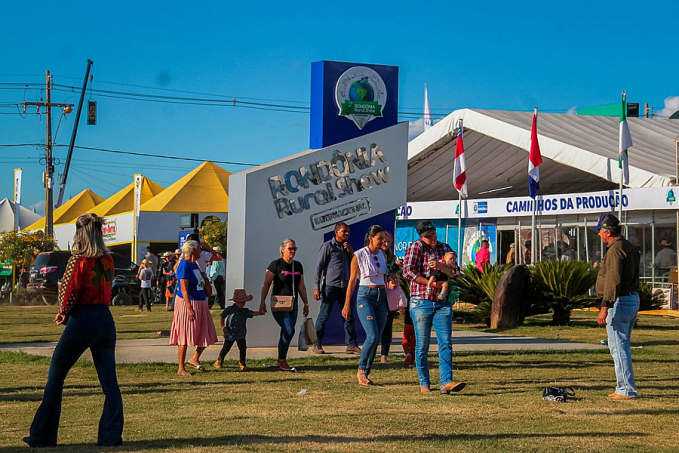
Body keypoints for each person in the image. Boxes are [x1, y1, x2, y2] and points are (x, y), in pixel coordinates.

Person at [24, 213, 123, 448]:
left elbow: (69, 290)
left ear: (80, 234)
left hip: (83, 319)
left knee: (56, 377)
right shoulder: (109, 260)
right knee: (110, 384)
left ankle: (43, 435)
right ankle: (110, 437)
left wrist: (63, 311)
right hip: (105, 319)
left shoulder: (78, 260)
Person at [403, 219, 465, 394]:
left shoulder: (445, 248)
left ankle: (446, 381)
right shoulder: (415, 247)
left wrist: (440, 266)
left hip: (442, 303)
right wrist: (430, 284)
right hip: (421, 301)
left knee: (445, 342)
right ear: (421, 237)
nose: (432, 238)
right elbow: (408, 271)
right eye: (427, 235)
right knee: (422, 344)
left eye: (433, 234)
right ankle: (424, 383)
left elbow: (456, 273)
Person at [593, 213, 641, 400]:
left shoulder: (614, 250)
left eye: (600, 231)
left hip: (619, 301)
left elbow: (613, 280)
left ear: (608, 232)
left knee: (618, 347)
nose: (598, 235)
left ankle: (626, 389)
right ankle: (624, 387)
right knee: (623, 345)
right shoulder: (628, 246)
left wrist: (605, 306)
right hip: (631, 298)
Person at [342, 225, 389, 386]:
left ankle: (366, 373)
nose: (383, 241)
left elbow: (386, 275)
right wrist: (347, 304)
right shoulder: (359, 255)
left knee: (377, 337)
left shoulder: (383, 254)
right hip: (365, 296)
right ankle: (361, 370)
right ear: (371, 238)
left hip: (381, 296)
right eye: (380, 238)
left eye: (384, 238)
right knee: (373, 335)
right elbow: (352, 280)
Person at [259, 239, 310, 371]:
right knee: (289, 330)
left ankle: (282, 359)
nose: (292, 251)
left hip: (294, 303)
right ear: (282, 249)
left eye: (294, 249)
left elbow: (301, 286)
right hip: (279, 303)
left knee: (286, 331)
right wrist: (262, 302)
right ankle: (282, 359)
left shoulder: (298, 265)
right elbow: (266, 284)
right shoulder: (275, 264)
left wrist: (306, 303)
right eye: (290, 249)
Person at [169, 240, 218, 376]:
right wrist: (189, 308)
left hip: (200, 301)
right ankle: (181, 368)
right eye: (199, 249)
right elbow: (184, 289)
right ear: (192, 251)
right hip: (188, 302)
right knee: (184, 334)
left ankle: (194, 358)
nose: (201, 251)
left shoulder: (194, 264)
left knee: (207, 332)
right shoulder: (184, 265)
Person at [312, 221, 360, 355]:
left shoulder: (346, 248)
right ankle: (317, 343)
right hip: (330, 286)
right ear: (336, 232)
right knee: (324, 315)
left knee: (348, 315)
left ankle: (351, 344)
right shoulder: (328, 246)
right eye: (344, 231)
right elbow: (319, 267)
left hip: (345, 286)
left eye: (348, 232)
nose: (346, 234)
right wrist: (316, 287)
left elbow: (355, 263)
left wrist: (350, 251)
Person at [214, 289, 262, 371]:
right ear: (235, 301)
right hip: (230, 332)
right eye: (240, 302)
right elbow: (222, 316)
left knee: (243, 347)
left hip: (241, 332)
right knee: (226, 347)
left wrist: (260, 312)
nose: (242, 304)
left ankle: (242, 362)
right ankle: (220, 360)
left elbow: (252, 313)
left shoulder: (245, 311)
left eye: (243, 302)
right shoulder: (229, 309)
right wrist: (223, 326)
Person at [379, 230, 402, 364]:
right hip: (376, 293)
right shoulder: (373, 255)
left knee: (388, 326)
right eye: (384, 241)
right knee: (377, 327)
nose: (386, 244)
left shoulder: (392, 257)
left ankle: (384, 357)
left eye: (388, 242)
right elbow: (381, 272)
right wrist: (394, 268)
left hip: (389, 293)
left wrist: (395, 274)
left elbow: (392, 275)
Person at [208, 246, 227, 310]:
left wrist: (211, 278)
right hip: (221, 276)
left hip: (215, 277)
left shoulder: (215, 260)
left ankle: (209, 305)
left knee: (213, 291)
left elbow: (215, 270)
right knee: (220, 292)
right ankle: (222, 305)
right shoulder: (222, 260)